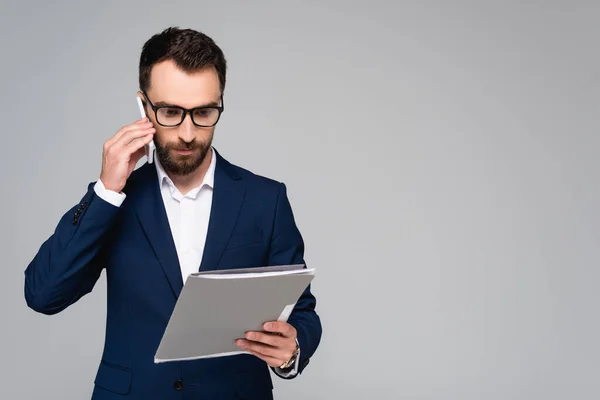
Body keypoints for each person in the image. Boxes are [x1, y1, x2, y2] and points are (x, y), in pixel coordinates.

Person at [24, 26, 321, 399]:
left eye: (203, 112)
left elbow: (301, 311)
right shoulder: (117, 199)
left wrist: (291, 351)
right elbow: (43, 293)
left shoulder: (266, 198)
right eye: (169, 112)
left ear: (220, 103)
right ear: (143, 106)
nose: (186, 132)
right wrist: (105, 191)